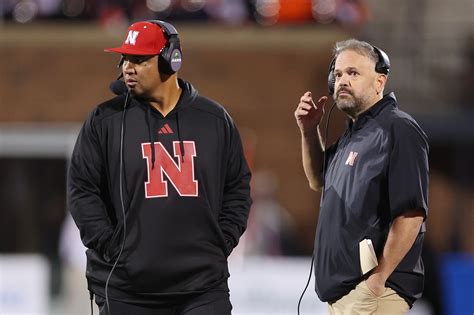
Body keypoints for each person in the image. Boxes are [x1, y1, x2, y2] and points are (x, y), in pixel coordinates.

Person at [67, 20, 252, 315]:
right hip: (127, 287)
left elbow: (237, 188)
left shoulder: (214, 120)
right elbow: (82, 191)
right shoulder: (105, 120)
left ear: (171, 59)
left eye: (140, 59)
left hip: (202, 287)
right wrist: (111, 246)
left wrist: (222, 241)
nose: (128, 67)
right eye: (125, 58)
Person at [294, 39, 428, 314]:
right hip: (347, 296)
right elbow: (317, 179)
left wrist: (377, 283)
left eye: (353, 73)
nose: (342, 80)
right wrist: (309, 131)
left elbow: (411, 215)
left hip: (374, 294)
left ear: (380, 82)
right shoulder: (353, 135)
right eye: (339, 74)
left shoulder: (398, 128)